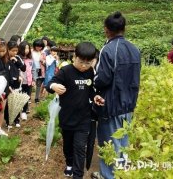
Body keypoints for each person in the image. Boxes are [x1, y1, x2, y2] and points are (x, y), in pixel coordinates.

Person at [93, 11, 141, 179]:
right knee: (123, 142)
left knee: (109, 143)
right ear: (124, 28)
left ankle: (108, 176)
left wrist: (94, 79)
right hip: (129, 103)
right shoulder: (134, 49)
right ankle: (121, 174)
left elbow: (102, 79)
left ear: (106, 30)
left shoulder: (108, 49)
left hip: (111, 105)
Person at [46, 42, 97, 179]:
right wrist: (55, 85)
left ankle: (78, 175)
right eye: (81, 62)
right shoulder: (66, 71)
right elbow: (49, 84)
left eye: (88, 63)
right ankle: (69, 163)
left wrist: (95, 97)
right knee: (68, 145)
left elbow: (91, 90)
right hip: (67, 117)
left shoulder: (90, 72)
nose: (84, 66)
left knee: (80, 148)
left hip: (84, 118)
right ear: (74, 57)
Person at [5, 40, 26, 127]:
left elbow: (23, 68)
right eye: (12, 50)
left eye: (16, 51)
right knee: (8, 103)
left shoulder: (17, 57)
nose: (14, 52)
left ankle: (16, 119)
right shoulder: (5, 59)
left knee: (16, 101)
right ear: (8, 50)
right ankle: (8, 120)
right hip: (9, 84)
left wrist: (16, 61)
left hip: (17, 83)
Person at [18, 40, 35, 120]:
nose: (27, 50)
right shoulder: (18, 59)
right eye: (25, 48)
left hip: (28, 81)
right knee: (19, 97)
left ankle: (24, 112)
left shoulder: (31, 59)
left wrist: (33, 80)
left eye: (28, 48)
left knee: (26, 97)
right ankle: (17, 113)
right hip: (20, 82)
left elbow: (33, 70)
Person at [31, 39, 45, 103]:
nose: (39, 48)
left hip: (40, 69)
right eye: (37, 46)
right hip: (32, 69)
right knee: (31, 83)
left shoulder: (42, 53)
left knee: (38, 84)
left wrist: (43, 61)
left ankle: (37, 98)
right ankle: (28, 98)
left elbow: (45, 62)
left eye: (40, 46)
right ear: (34, 46)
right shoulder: (31, 52)